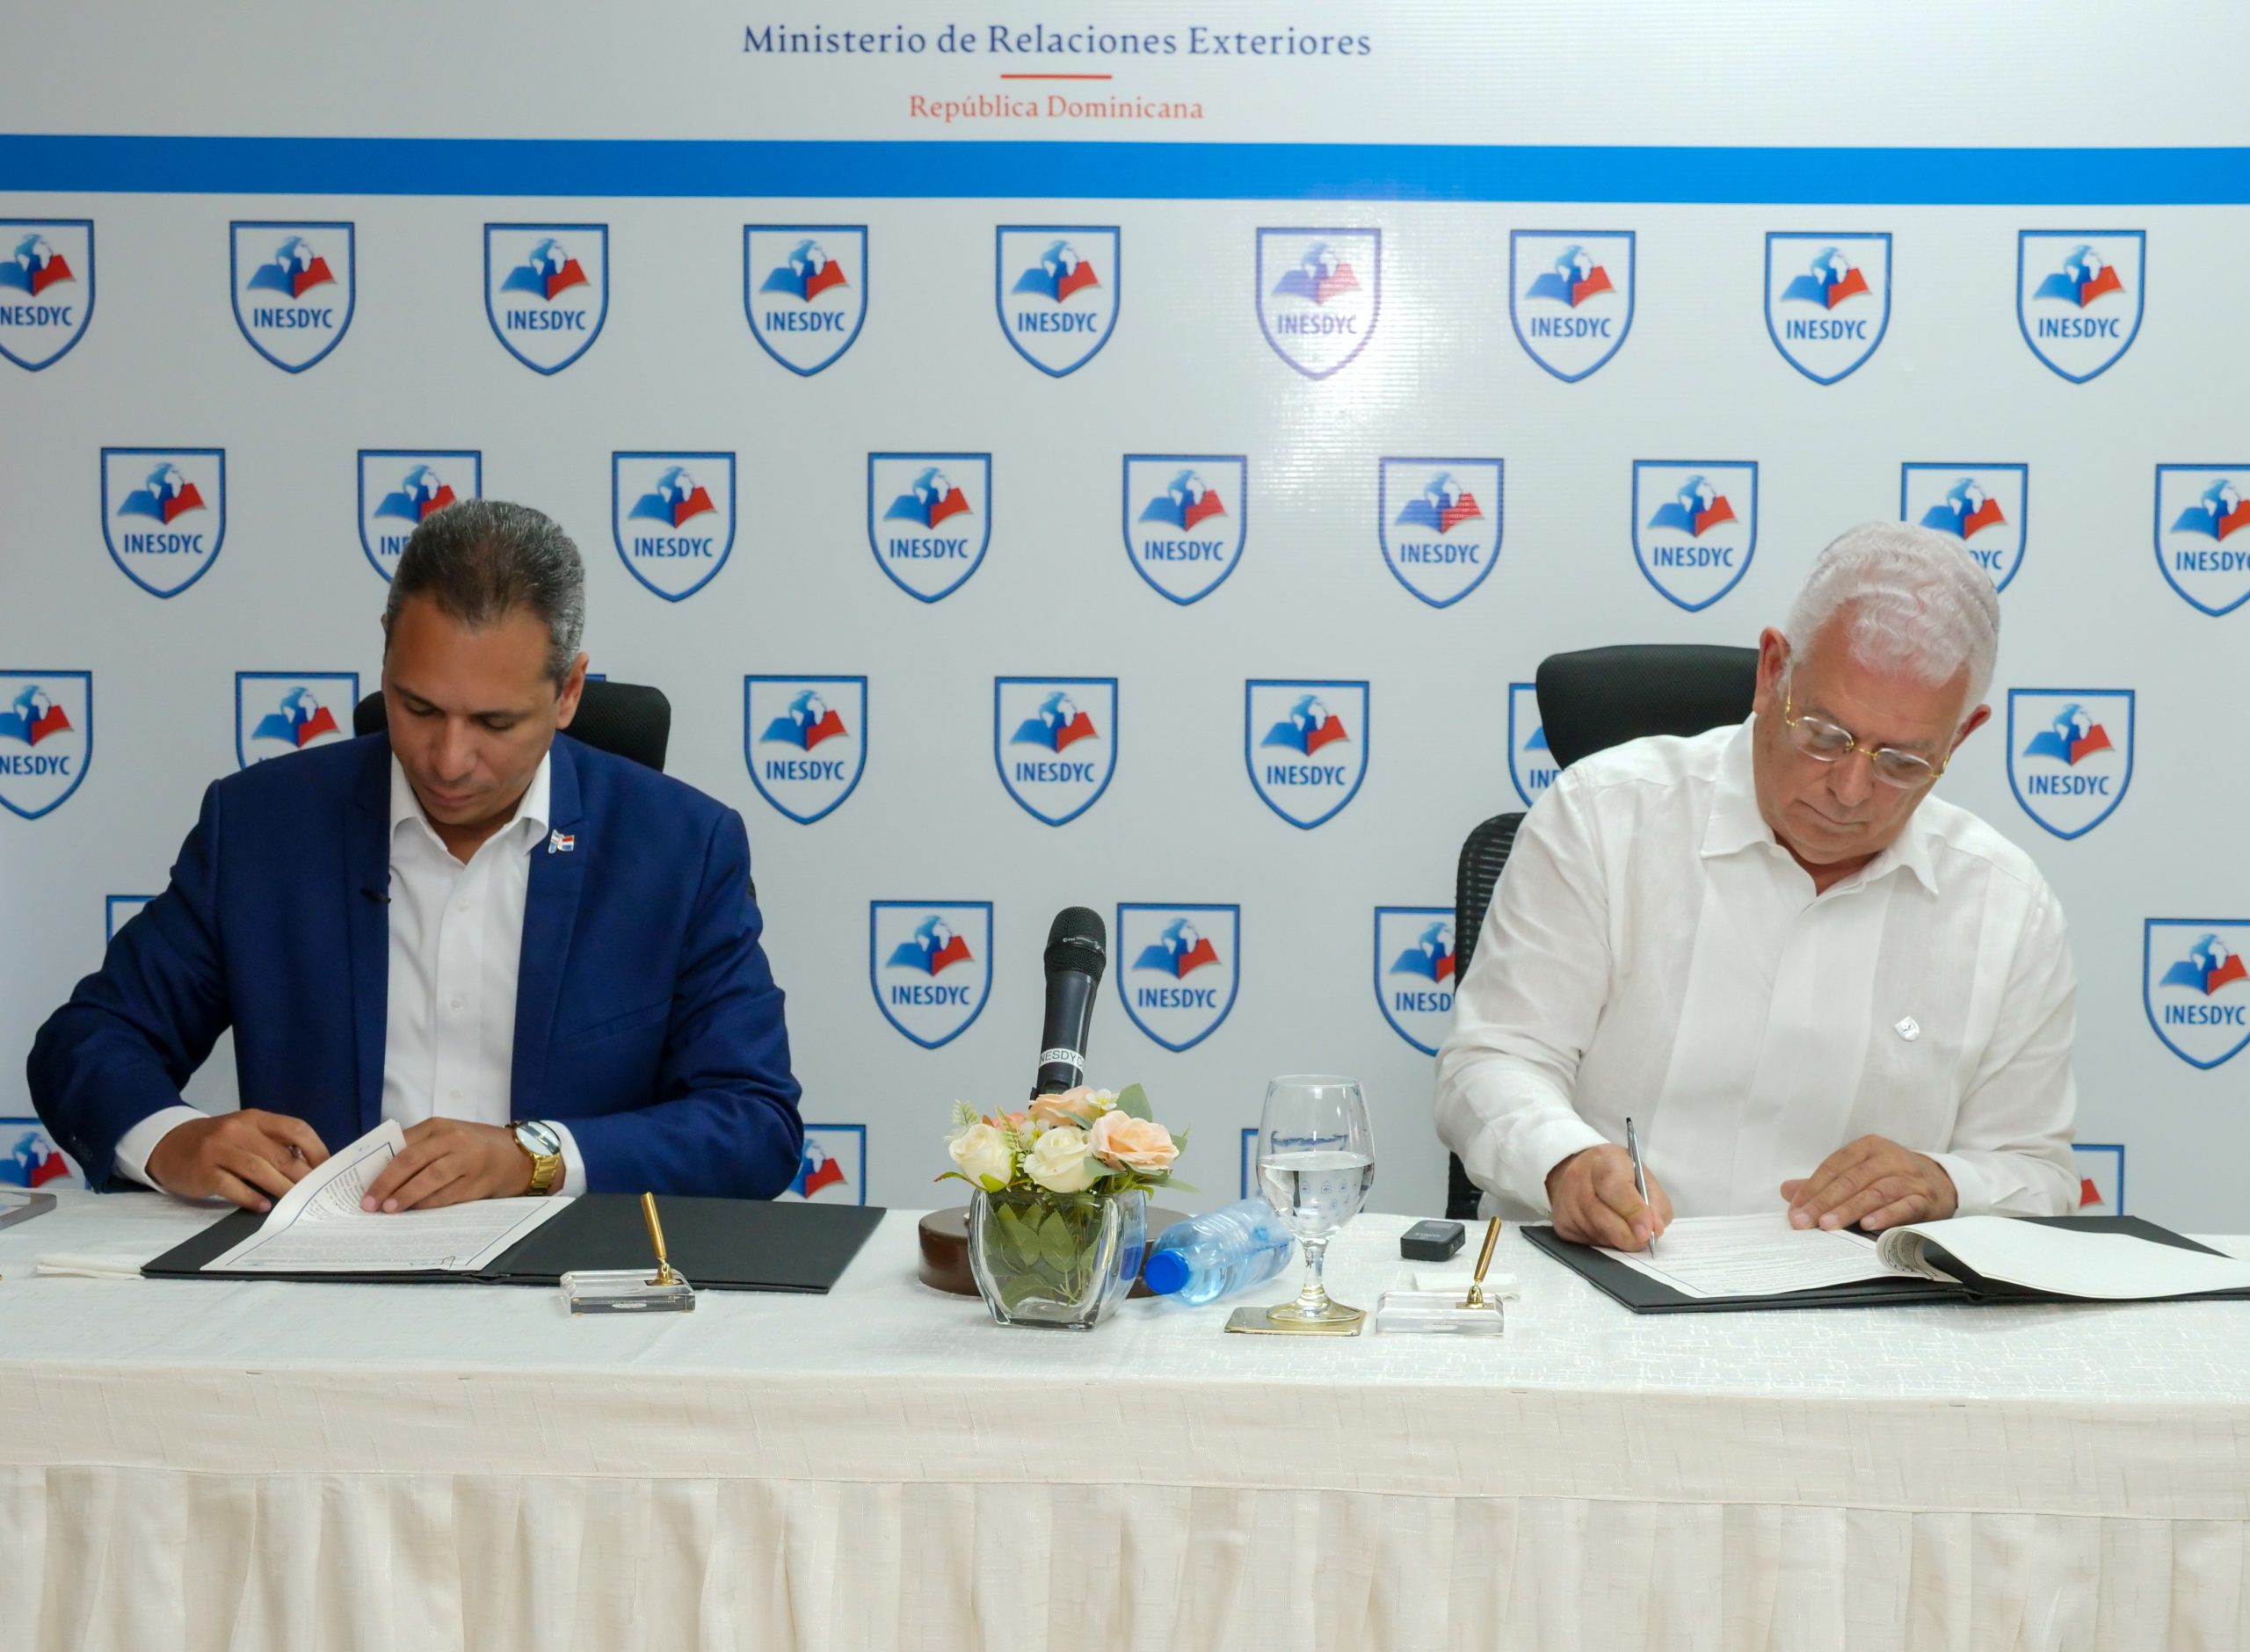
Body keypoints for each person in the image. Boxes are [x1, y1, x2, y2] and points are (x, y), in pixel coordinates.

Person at [30, 500, 803, 1212]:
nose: (448, 760)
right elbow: (88, 1042)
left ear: (569, 692)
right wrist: (173, 1141)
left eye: (494, 723)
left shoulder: (681, 849)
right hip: (316, 1285)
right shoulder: (263, 828)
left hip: (568, 1284)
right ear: (385, 657)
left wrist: (535, 1157)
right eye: (419, 707)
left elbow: (754, 1120)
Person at [1435, 522, 2078, 1250]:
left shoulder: (2007, 906)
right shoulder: (1602, 816)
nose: (1850, 790)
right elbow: (1491, 1061)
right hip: (1601, 1275)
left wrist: (1948, 1183)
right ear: (1773, 672)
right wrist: (1565, 1161)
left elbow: (2037, 1171)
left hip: (1860, 1304)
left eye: (1901, 761)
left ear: (1960, 736)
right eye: (1826, 736)